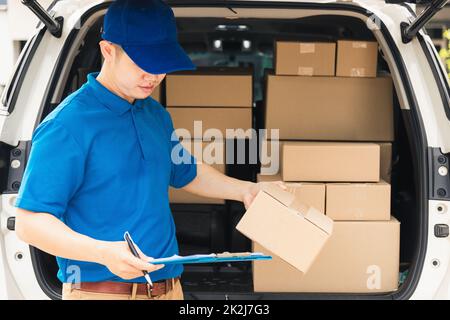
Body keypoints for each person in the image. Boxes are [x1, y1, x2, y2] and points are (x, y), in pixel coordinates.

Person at [14, 0, 283, 300]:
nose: (153, 75)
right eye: (143, 63)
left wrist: (245, 190)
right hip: (102, 293)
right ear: (107, 51)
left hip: (169, 290)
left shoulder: (154, 114)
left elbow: (186, 172)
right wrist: (103, 252)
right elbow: (30, 223)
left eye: (162, 64)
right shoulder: (68, 126)